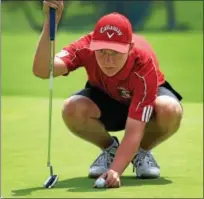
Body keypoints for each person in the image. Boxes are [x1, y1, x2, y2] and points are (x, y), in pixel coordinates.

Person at [33, 0, 183, 188]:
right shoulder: (85, 46)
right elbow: (42, 70)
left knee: (169, 109)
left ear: (129, 48)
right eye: (102, 52)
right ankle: (111, 150)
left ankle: (141, 152)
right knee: (72, 108)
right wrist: (51, 22)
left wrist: (115, 171)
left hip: (145, 103)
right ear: (93, 45)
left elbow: (135, 129)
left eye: (115, 52)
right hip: (106, 97)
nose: (108, 60)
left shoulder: (144, 64)